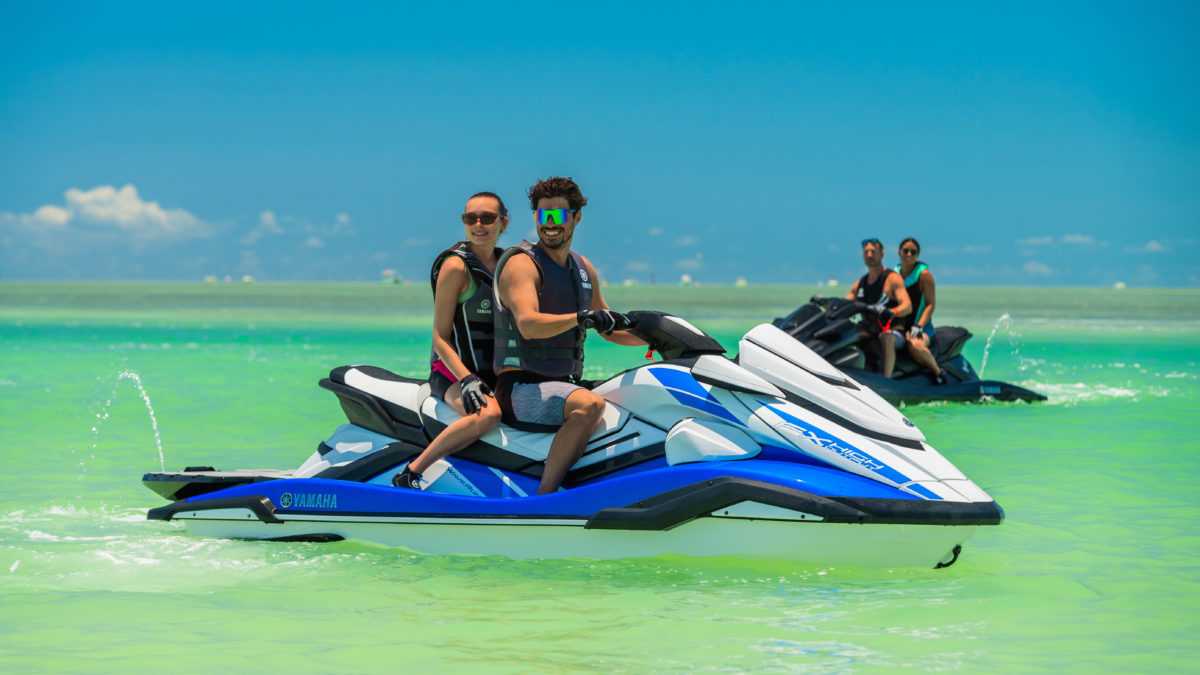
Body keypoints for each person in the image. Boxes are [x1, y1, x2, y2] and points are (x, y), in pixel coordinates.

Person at [492, 176, 644, 494]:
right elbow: (528, 324)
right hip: (521, 388)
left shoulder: (583, 268)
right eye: (543, 215)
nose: (550, 223)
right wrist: (580, 318)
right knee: (589, 406)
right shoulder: (522, 265)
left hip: (564, 383)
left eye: (558, 215)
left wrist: (657, 339)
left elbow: (609, 328)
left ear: (576, 217)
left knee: (636, 397)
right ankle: (545, 498)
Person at [392, 192, 508, 489]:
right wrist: (466, 379)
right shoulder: (456, 267)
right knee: (489, 414)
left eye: (487, 218)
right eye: (471, 218)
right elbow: (439, 336)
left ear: (503, 223)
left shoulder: (507, 265)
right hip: (451, 372)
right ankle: (412, 471)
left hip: (491, 372)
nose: (479, 225)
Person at [845, 238, 911, 378]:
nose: (869, 255)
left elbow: (907, 306)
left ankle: (886, 379)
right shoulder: (860, 283)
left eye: (873, 251)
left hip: (893, 331)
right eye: (866, 252)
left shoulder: (892, 278)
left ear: (882, 254)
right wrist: (827, 305)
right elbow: (845, 304)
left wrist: (891, 312)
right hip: (870, 330)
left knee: (886, 337)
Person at [895, 237, 944, 384]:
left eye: (913, 252)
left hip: (922, 327)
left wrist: (918, 326)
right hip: (900, 326)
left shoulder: (924, 275)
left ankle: (938, 372)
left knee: (914, 346)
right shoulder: (894, 275)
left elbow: (930, 305)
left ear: (918, 255)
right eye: (906, 251)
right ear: (899, 252)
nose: (909, 254)